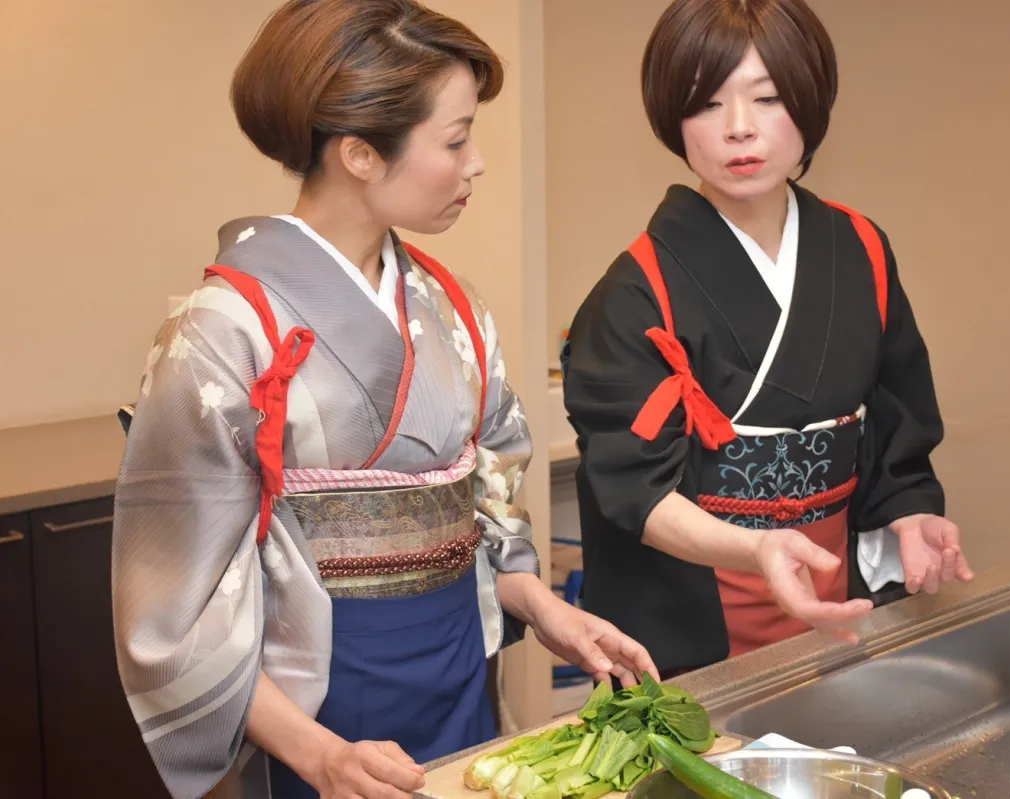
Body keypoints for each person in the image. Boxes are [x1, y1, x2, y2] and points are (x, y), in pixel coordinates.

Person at [111, 2, 657, 798]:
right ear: (361, 154)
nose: (476, 164)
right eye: (456, 140)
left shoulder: (455, 309)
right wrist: (321, 756)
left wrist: (547, 610)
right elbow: (175, 615)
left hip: (460, 682)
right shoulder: (223, 333)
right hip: (316, 725)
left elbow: (487, 517)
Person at [560, 0, 974, 680]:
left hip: (831, 587)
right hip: (696, 611)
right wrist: (756, 550)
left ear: (809, 101)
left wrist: (910, 513)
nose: (739, 128)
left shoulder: (860, 248)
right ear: (672, 117)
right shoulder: (636, 290)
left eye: (768, 97)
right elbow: (633, 487)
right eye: (707, 103)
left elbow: (895, 415)